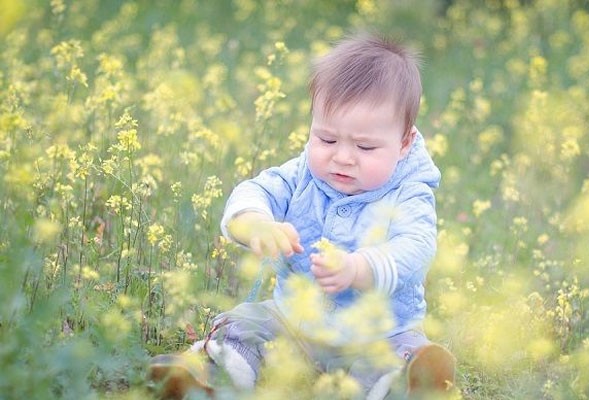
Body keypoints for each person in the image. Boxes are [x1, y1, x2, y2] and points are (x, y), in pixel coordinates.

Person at [149, 32, 455, 399]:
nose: (342, 157)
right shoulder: (303, 174)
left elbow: (416, 248)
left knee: (392, 358)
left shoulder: (409, 190)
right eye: (326, 139)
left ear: (404, 143)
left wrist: (360, 268)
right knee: (244, 324)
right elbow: (256, 190)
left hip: (379, 333)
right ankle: (210, 380)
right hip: (292, 320)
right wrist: (256, 223)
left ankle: (408, 383)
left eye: (365, 146)